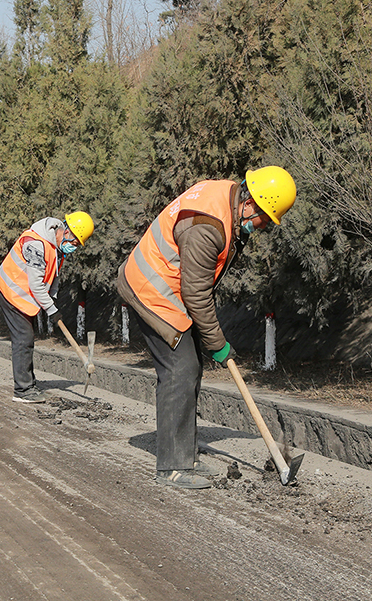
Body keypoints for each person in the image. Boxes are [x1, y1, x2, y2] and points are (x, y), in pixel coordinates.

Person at [117, 166, 296, 489]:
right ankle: (172, 466)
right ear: (251, 203)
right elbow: (196, 294)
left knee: (191, 367)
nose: (263, 226)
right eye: (265, 219)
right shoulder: (206, 226)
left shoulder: (226, 198)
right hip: (151, 289)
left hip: (172, 289)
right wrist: (217, 343)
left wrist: (208, 339)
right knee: (179, 369)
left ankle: (187, 456)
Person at [0, 211, 94, 403]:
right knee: (24, 337)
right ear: (68, 232)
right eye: (75, 243)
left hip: (25, 295)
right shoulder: (36, 244)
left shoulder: (57, 248)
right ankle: (23, 391)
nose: (74, 247)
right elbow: (36, 285)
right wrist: (52, 310)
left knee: (26, 336)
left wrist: (52, 301)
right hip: (10, 290)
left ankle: (28, 383)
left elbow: (53, 278)